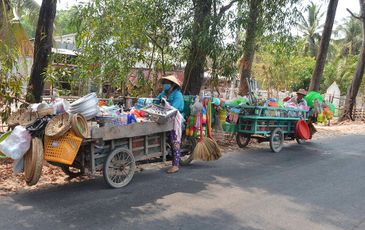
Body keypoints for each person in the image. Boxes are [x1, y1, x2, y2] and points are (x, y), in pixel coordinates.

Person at [157, 75, 184, 173]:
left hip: (176, 119)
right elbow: (156, 101)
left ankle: (175, 165)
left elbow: (174, 108)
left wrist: (165, 105)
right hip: (165, 117)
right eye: (164, 83)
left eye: (167, 83)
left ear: (172, 85)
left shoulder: (178, 95)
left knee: (174, 139)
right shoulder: (163, 93)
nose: (165, 85)